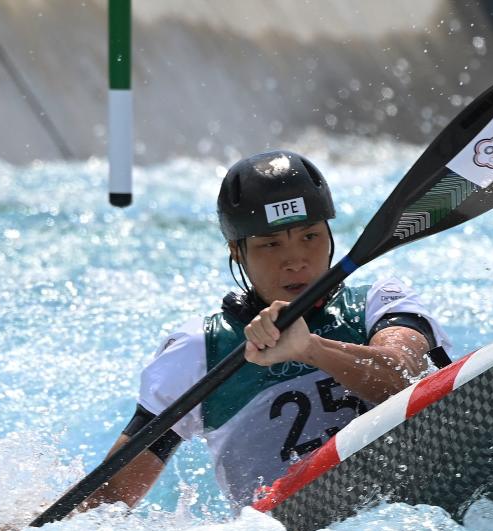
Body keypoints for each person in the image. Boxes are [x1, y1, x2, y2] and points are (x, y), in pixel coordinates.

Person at [83, 150, 450, 511]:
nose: (295, 261)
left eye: (309, 236)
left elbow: (407, 377)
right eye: (271, 244)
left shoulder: (379, 303)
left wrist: (311, 349)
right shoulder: (200, 353)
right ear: (237, 252)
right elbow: (110, 500)